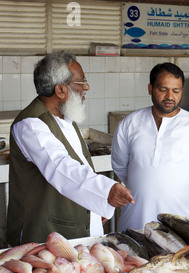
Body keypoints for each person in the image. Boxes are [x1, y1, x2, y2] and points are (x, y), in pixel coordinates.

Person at [6, 51, 134, 246]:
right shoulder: (32, 125)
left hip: (77, 231)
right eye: (81, 82)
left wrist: (95, 208)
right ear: (60, 90)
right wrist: (105, 191)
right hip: (45, 237)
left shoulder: (66, 119)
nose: (87, 87)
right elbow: (61, 167)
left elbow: (80, 168)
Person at [111, 63, 189, 231]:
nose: (170, 96)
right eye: (163, 89)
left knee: (183, 257)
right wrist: (144, 184)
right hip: (137, 220)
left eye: (176, 91)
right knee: (133, 256)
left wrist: (176, 188)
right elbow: (120, 165)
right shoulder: (130, 123)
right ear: (150, 89)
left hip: (184, 223)